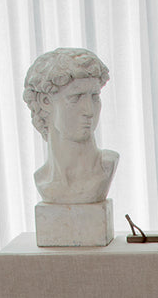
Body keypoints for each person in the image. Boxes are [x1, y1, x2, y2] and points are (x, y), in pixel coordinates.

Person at [22, 48, 119, 204]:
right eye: (76, 97)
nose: (89, 110)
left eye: (94, 97)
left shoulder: (106, 166)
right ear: (45, 102)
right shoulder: (43, 179)